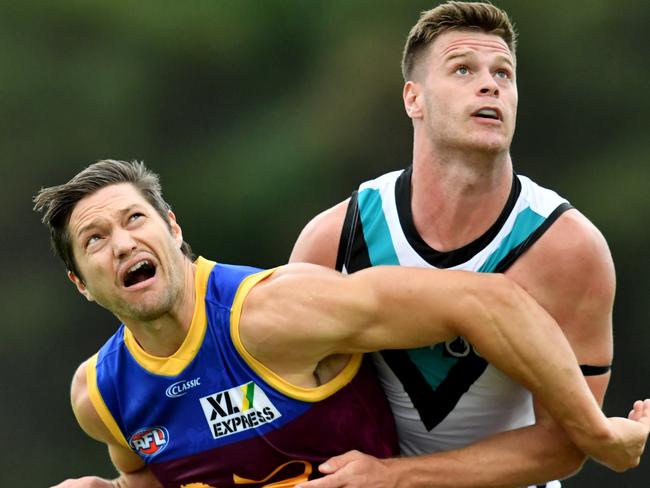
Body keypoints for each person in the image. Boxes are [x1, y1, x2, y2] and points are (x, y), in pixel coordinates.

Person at [35, 160, 648, 488]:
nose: (121, 244)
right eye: (96, 239)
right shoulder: (101, 395)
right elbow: (150, 480)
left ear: (172, 228)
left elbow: (489, 303)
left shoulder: (272, 314)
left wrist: (596, 433)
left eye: (135, 220)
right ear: (81, 284)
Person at [289, 2, 635, 487]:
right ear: (414, 99)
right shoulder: (335, 239)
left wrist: (397, 477)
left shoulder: (568, 248)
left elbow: (566, 444)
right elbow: (291, 403)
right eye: (463, 69)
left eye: (504, 73)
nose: (490, 84)